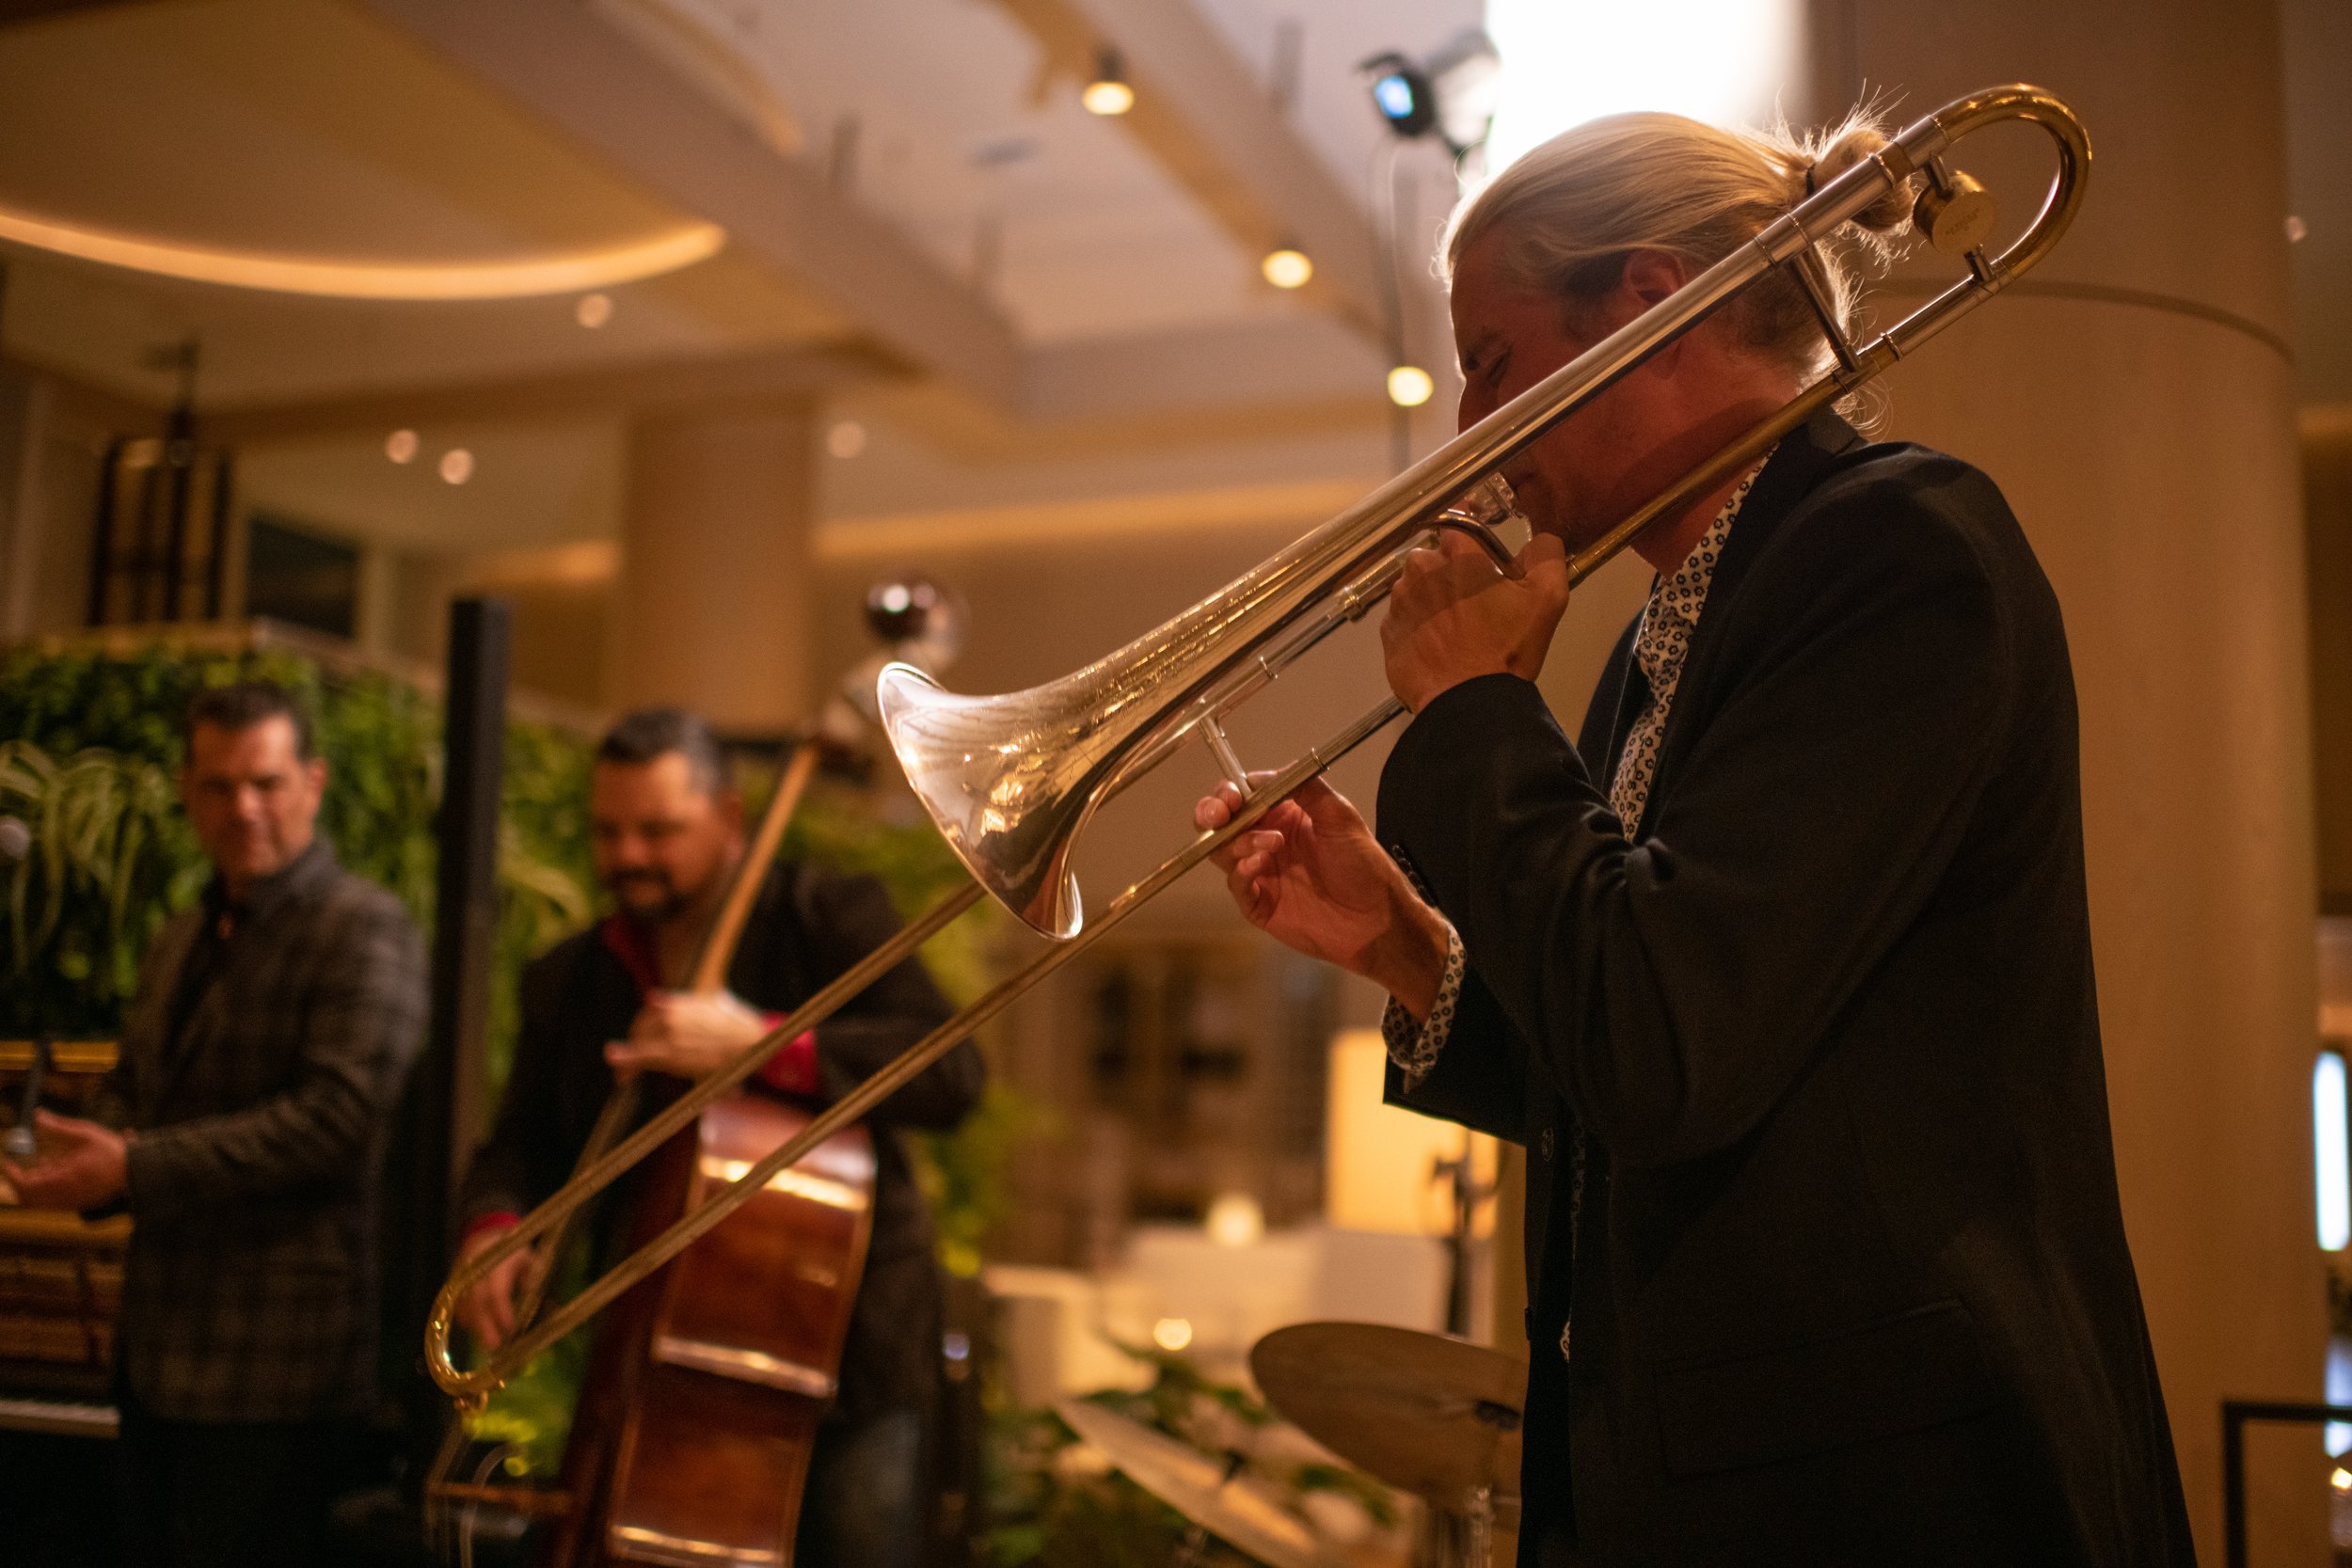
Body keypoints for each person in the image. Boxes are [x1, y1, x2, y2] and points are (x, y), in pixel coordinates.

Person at [1196, 109, 2194, 1566]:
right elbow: (1647, 1062)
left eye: (1494, 358)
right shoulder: (1664, 637)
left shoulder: (1896, 546)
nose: (1472, 430)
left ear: (1648, 306)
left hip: (1893, 1500)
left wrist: (1475, 712)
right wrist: (1408, 949)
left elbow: (1672, 1043)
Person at [454, 706, 978, 1568]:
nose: (627, 856)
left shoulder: (827, 916)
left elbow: (954, 1075)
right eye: (609, 831)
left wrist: (764, 1045)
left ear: (730, 819)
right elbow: (518, 1144)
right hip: (655, 1364)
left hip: (846, 1364)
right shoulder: (569, 976)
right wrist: (494, 1228)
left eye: (659, 830)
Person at [4, 680, 428, 1568]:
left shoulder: (364, 927)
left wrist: (133, 1166)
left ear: (311, 782)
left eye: (265, 782)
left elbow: (337, 1118)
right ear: (187, 789)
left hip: (281, 1366)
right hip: (158, 1355)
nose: (243, 807)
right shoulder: (182, 931)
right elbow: (135, 1088)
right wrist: (80, 1151)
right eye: (218, 785)